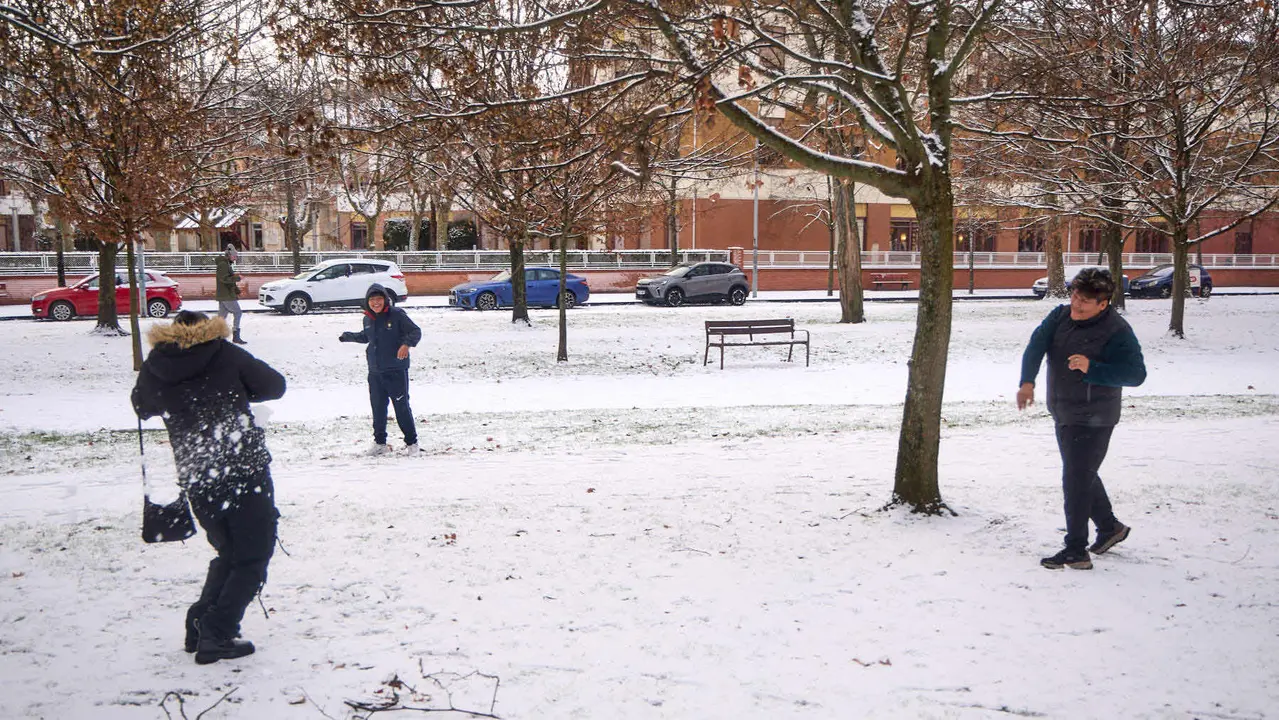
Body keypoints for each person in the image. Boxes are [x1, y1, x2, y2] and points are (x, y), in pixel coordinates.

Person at [131, 310, 286, 664]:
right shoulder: (224, 352)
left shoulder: (157, 363)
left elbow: (142, 406)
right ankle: (217, 632)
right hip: (242, 470)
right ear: (209, 328)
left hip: (198, 474)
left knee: (229, 552)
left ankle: (199, 624)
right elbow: (274, 386)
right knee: (252, 555)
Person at [1017, 268, 1147, 570]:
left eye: (1086, 301)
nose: (1077, 304)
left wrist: (1094, 368)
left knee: (1075, 478)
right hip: (1063, 409)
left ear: (1103, 304)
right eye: (1075, 296)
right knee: (1081, 474)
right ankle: (1109, 527)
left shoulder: (1117, 330)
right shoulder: (1059, 316)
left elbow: (1136, 374)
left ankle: (1076, 549)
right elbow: (1036, 345)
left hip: (1096, 416)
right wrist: (1027, 382)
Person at [339, 284, 422, 454]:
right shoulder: (368, 318)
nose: (375, 303)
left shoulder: (396, 315)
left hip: (395, 371)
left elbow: (415, 331)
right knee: (377, 408)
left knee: (401, 407)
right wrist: (349, 336)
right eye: (372, 300)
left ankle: (412, 443)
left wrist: (406, 344)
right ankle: (380, 444)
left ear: (385, 300)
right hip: (375, 372)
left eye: (378, 299)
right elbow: (367, 336)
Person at [215, 243, 248, 345]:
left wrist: (237, 291)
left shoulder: (226, 264)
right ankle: (235, 336)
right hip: (226, 295)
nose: (235, 258)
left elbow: (229, 281)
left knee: (221, 317)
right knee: (238, 312)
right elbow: (224, 279)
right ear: (228, 255)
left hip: (225, 294)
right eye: (234, 256)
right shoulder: (223, 265)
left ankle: (216, 337)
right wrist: (238, 278)